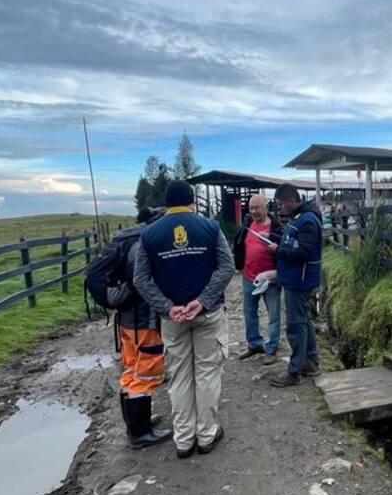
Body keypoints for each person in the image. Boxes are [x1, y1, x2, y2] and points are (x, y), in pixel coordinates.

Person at [133, 181, 235, 458]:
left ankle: (183, 440)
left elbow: (140, 278)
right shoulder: (210, 228)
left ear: (166, 204)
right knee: (207, 373)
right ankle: (206, 435)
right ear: (192, 200)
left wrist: (167, 307)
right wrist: (202, 300)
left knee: (178, 377)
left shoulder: (150, 234)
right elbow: (227, 266)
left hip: (172, 318)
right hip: (207, 313)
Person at [108, 207, 174, 448]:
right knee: (146, 373)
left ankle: (135, 423)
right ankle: (140, 432)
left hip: (125, 319)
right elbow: (144, 283)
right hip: (144, 320)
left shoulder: (126, 240)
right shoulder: (145, 244)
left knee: (130, 369)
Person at [268, 183, 323, 387]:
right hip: (295, 279)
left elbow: (303, 253)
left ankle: (295, 371)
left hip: (300, 280)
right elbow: (294, 243)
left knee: (296, 324)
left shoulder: (307, 221)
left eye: (281, 204)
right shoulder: (298, 219)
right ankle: (311, 362)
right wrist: (275, 239)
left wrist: (277, 251)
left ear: (291, 201)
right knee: (304, 321)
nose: (280, 208)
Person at [231, 194, 282, 364]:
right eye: (251, 208)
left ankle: (272, 347)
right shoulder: (247, 225)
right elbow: (239, 244)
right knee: (249, 313)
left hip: (270, 278)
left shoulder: (276, 228)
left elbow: (284, 250)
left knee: (273, 314)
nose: (253, 211)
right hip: (249, 277)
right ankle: (254, 344)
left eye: (257, 208)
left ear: (266, 207)